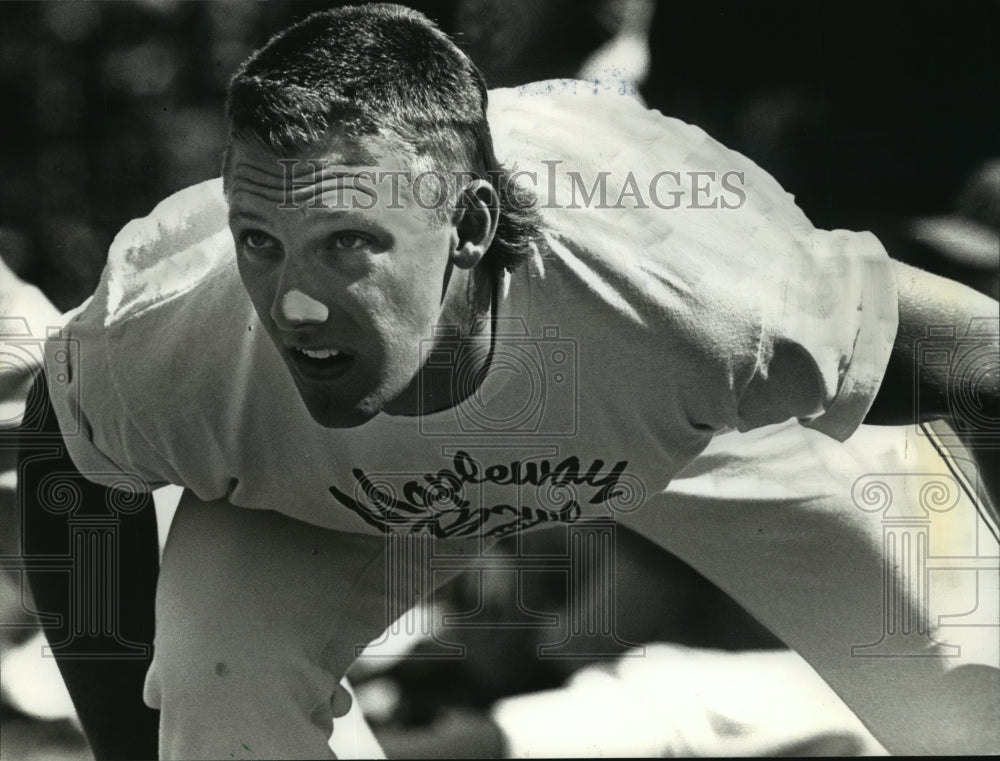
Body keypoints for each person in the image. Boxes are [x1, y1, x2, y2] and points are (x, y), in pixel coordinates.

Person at [26, 3, 999, 759]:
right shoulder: (167, 334)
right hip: (344, 491)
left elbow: (981, 357)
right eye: (262, 244)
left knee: (969, 711)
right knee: (214, 689)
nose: (294, 305)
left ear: (470, 228)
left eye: (349, 246)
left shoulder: (697, 295)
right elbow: (62, 445)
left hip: (706, 429)